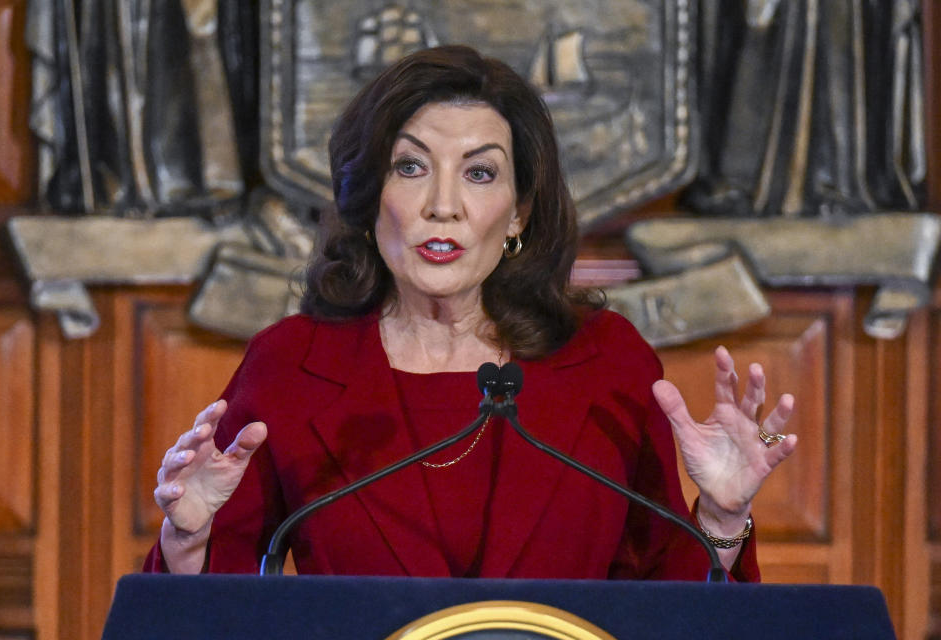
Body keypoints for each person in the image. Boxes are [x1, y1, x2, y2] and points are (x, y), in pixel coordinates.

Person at [145, 45, 797, 579]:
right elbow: (214, 611)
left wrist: (719, 515)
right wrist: (186, 537)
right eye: (410, 167)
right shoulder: (292, 366)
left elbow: (669, 608)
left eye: (479, 174)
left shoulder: (607, 365)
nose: (443, 205)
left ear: (518, 214)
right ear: (370, 201)